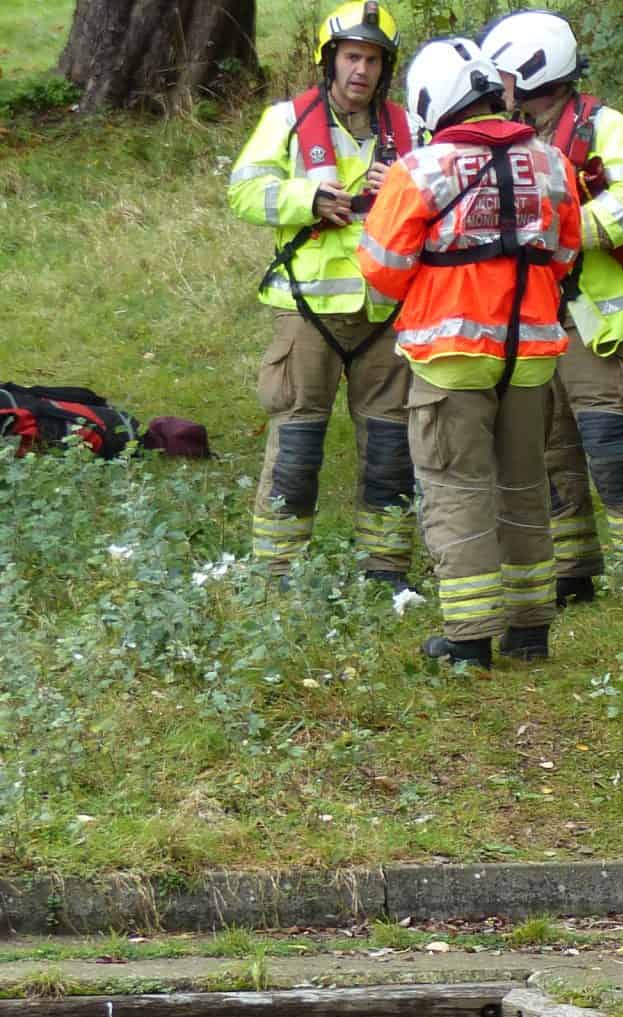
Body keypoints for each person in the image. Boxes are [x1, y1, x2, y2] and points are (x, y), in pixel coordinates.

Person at [359, 35, 581, 669]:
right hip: (532, 356)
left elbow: (381, 268)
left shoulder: (418, 170)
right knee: (524, 484)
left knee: (457, 489)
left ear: (434, 102)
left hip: (451, 357)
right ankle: (531, 629)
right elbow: (566, 253)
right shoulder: (552, 163)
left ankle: (468, 639)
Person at [479, 11, 623, 604]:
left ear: (535, 70)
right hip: (536, 318)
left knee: (612, 443)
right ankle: (573, 565)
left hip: (601, 322)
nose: (500, 88)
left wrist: (572, 228)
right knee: (549, 444)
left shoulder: (603, 126)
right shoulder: (508, 134)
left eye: (507, 75)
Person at [227, 1, 418, 584]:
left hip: (385, 314)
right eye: (352, 57)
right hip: (307, 313)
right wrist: (304, 199)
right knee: (296, 443)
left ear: (385, 69)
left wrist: (405, 188)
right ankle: (277, 573)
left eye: (373, 60)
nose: (361, 70)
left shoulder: (410, 129)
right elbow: (243, 191)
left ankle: (385, 572)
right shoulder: (285, 119)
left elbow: (442, 207)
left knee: (392, 448)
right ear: (330, 60)